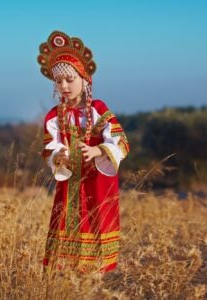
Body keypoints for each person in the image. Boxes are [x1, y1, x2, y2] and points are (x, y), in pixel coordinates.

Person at [37, 31, 129, 273]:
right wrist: (58, 156)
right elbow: (50, 147)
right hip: (70, 183)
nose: (64, 86)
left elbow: (121, 142)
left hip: (98, 181)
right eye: (59, 81)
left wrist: (98, 150)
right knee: (67, 219)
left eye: (69, 79)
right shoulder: (54, 115)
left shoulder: (98, 109)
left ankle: (95, 276)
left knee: (96, 219)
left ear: (84, 79)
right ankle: (66, 274)